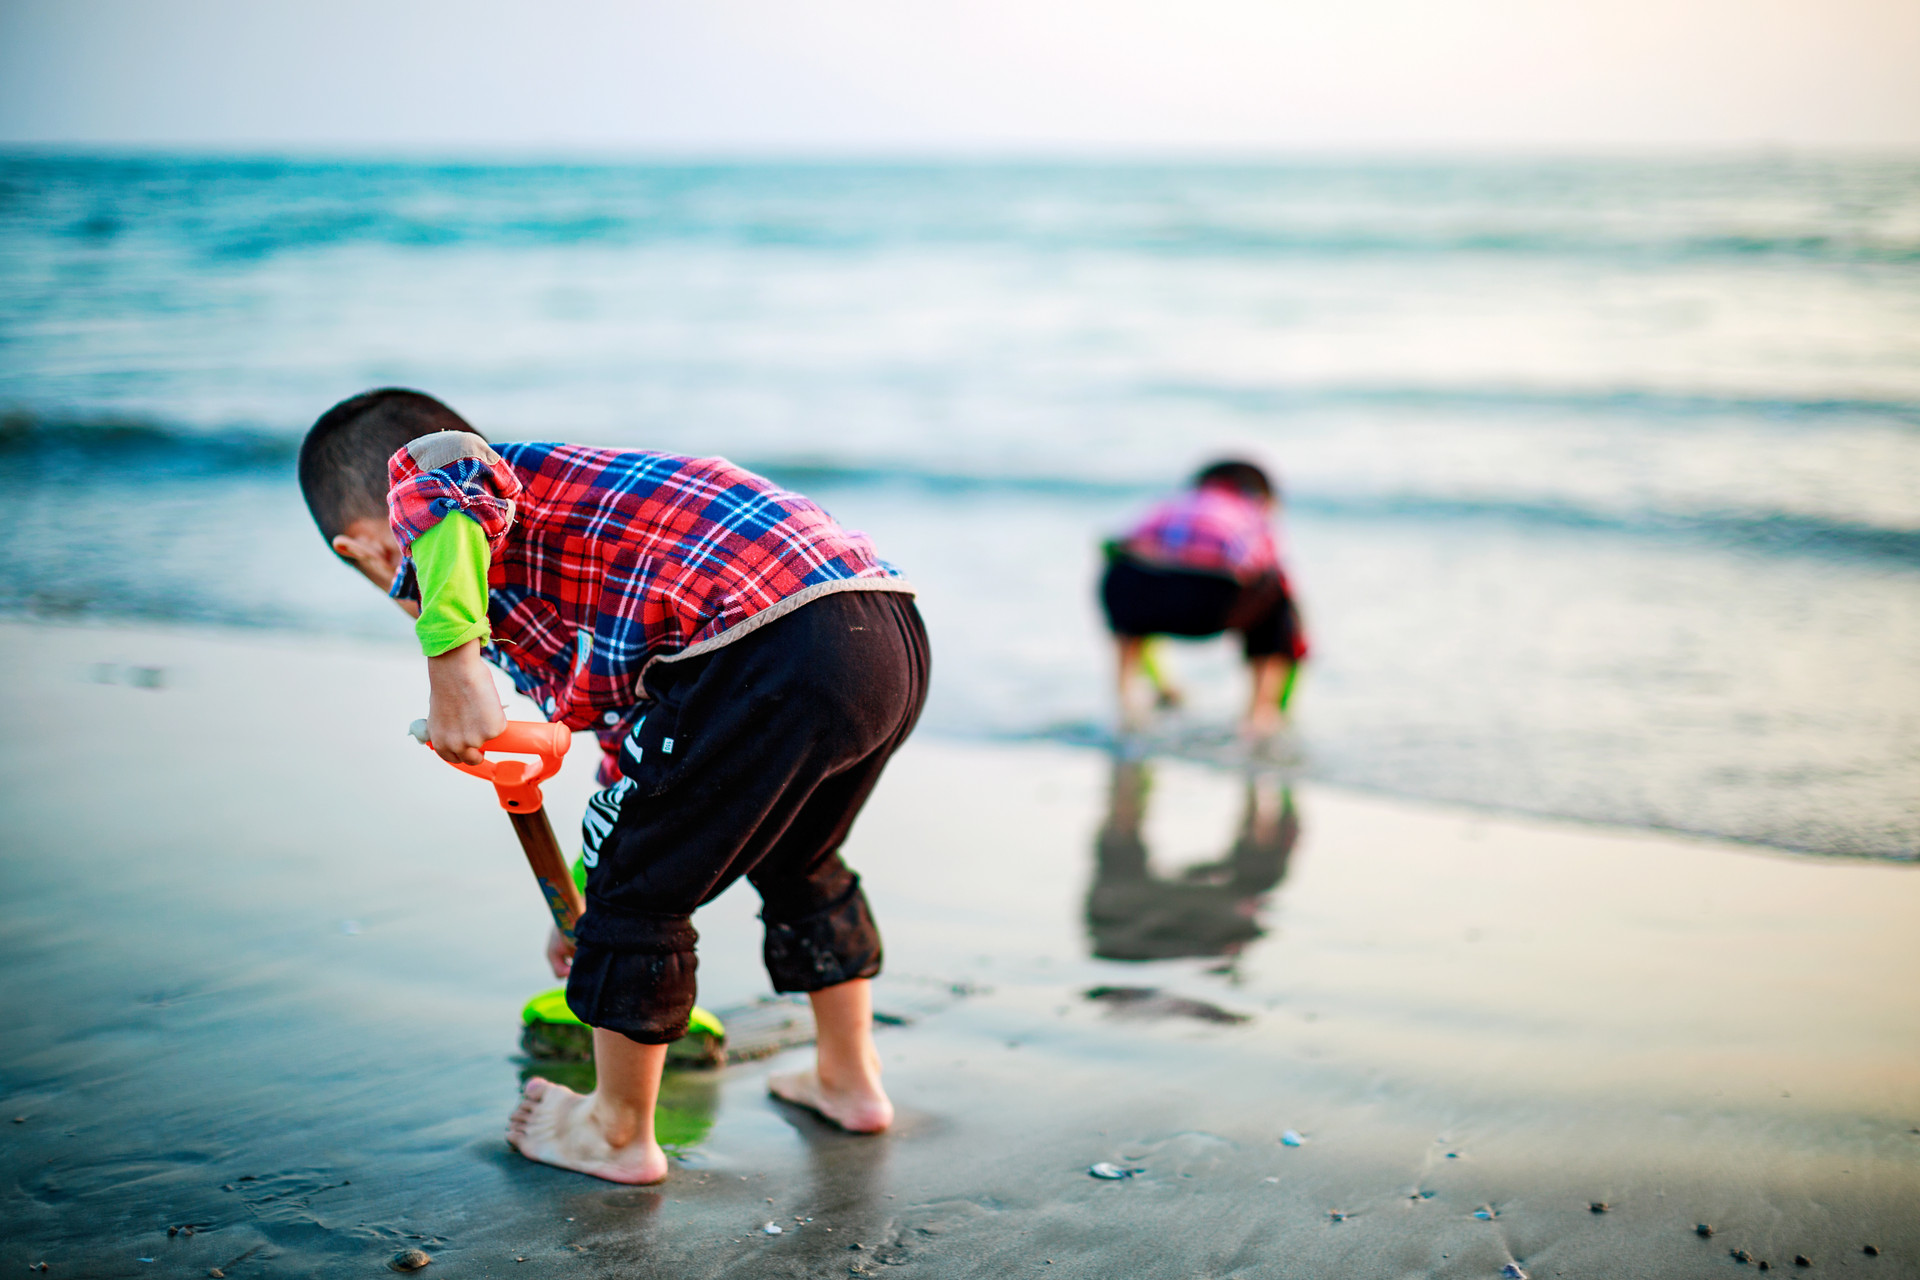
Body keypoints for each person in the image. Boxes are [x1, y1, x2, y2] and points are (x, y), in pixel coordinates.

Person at [299, 388, 929, 1185]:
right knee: (798, 856)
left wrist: (452, 662)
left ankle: (617, 1131)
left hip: (762, 648)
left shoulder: (458, 484)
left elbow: (442, 464)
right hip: (882, 635)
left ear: (368, 548)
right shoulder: (564, 563)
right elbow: (641, 752)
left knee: (643, 900)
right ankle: (849, 1079)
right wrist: (589, 893)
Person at [1099, 459, 1306, 737]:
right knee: (1274, 593)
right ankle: (1260, 716)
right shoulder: (1250, 512)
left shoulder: (1170, 505)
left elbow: (1117, 545)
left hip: (1142, 598)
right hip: (1219, 604)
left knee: (1126, 570)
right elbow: (1263, 562)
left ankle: (1127, 702)